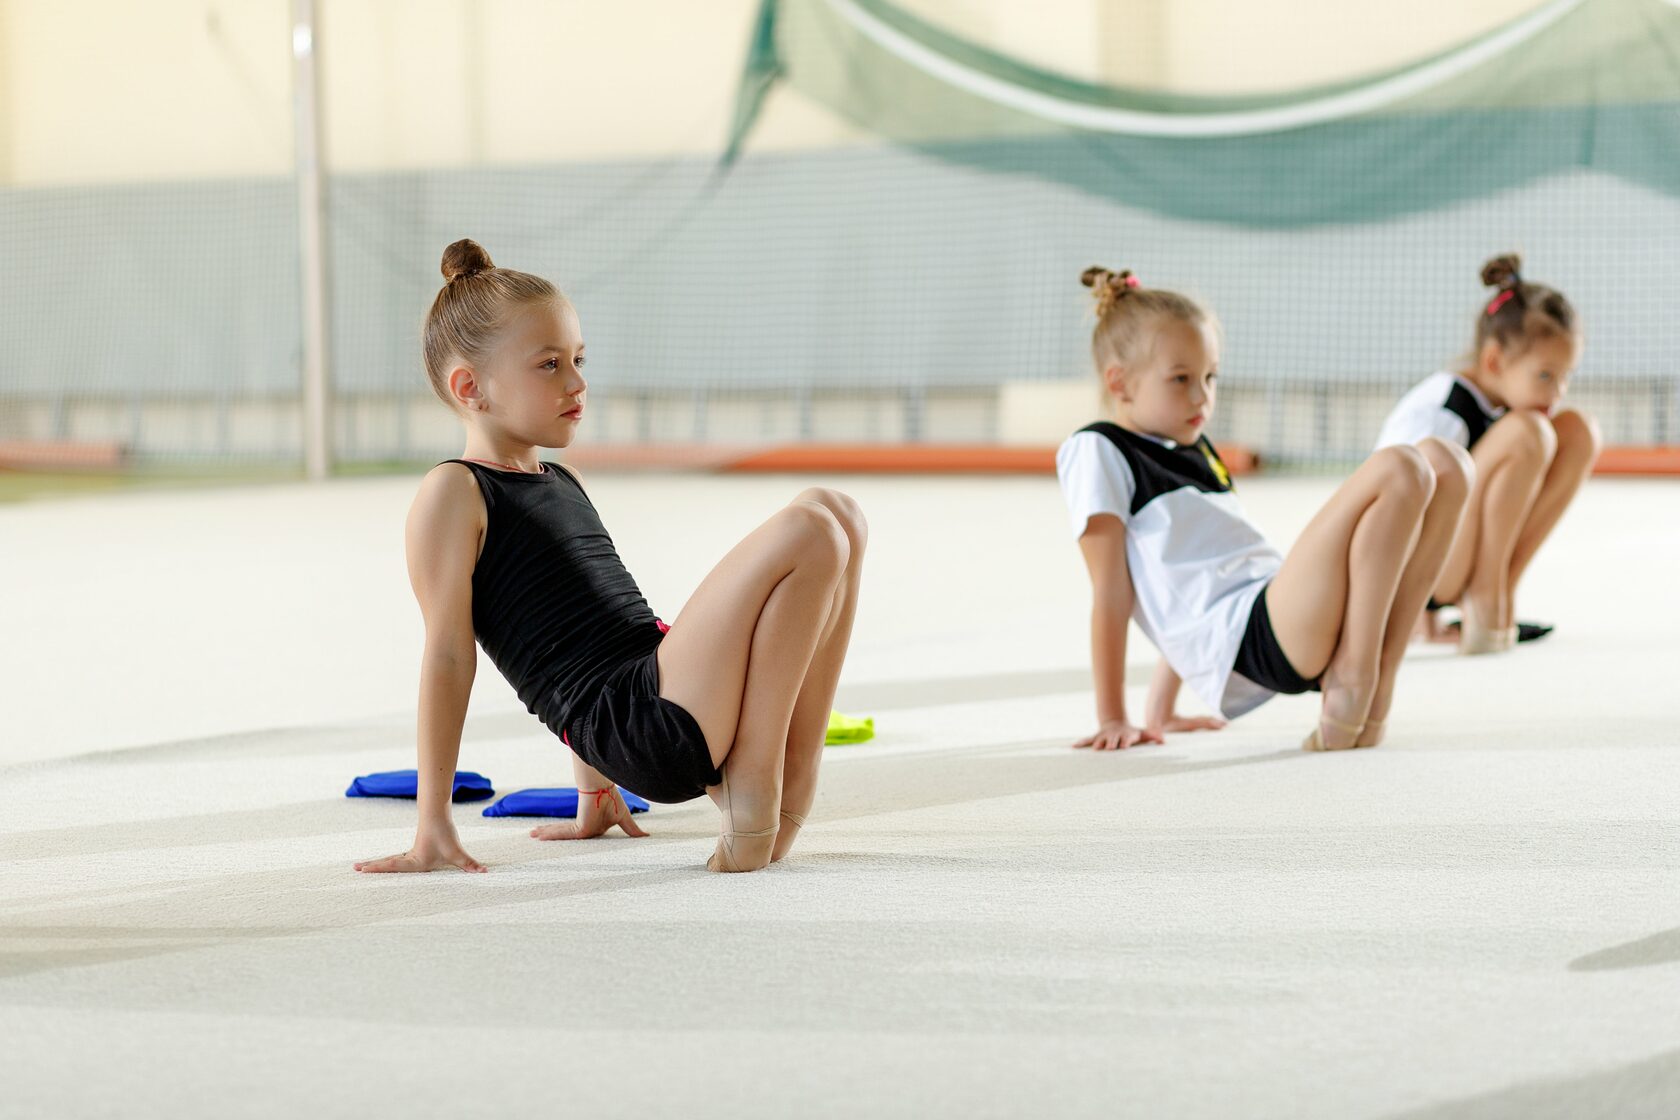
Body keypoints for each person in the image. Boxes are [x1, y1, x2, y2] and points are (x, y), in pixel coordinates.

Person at [354, 240, 865, 874]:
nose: (577, 382)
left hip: (657, 690)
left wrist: (594, 793)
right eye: (548, 365)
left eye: (578, 359)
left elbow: (577, 636)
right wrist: (432, 825)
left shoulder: (560, 479)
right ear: (470, 387)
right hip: (642, 721)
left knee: (838, 512)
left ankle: (791, 769)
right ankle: (752, 788)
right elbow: (450, 656)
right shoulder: (454, 493)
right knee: (809, 528)